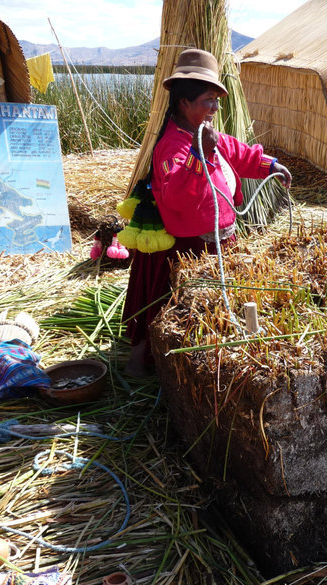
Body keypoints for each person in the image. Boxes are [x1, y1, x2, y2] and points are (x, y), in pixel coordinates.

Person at [122, 48, 292, 375]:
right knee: (172, 312)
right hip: (188, 251)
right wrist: (199, 157)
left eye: (216, 100)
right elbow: (176, 197)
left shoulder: (204, 134)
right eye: (207, 101)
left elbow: (240, 154)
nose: (214, 108)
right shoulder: (173, 145)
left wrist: (272, 165)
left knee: (213, 311)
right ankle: (157, 370)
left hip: (218, 244)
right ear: (184, 103)